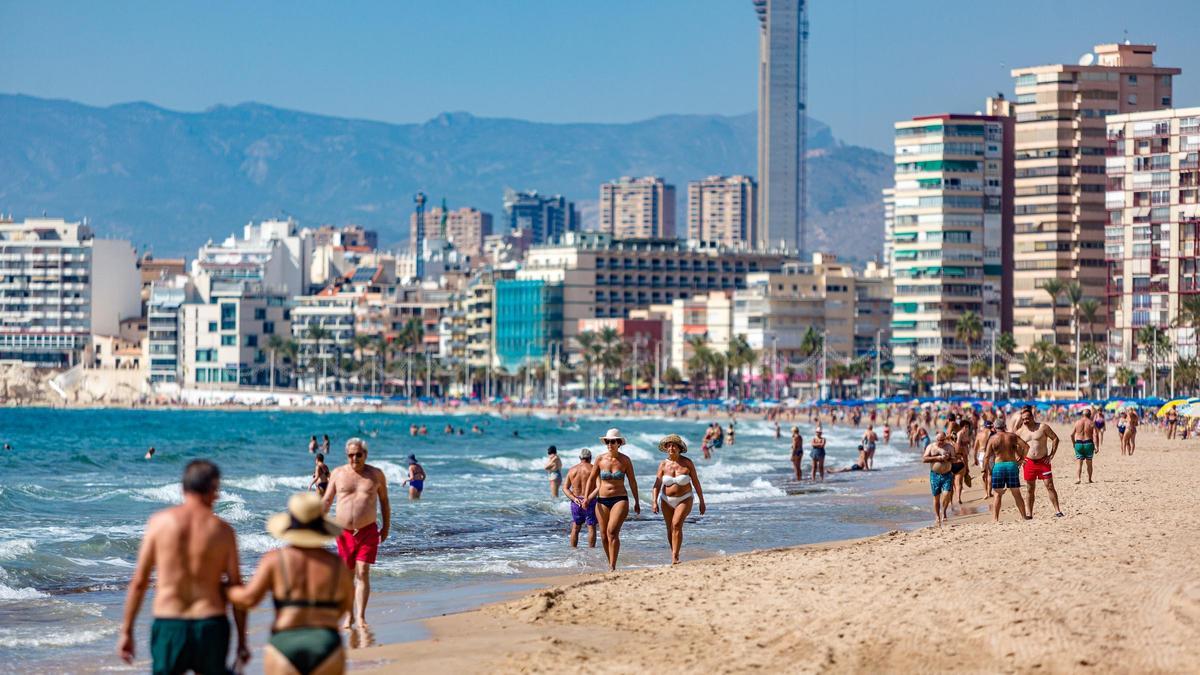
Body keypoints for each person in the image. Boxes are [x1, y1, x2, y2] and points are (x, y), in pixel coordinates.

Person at [118, 460, 249, 672]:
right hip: (210, 625)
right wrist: (242, 640)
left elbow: (139, 582)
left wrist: (127, 631)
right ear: (214, 490)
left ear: (183, 488)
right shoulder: (223, 531)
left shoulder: (159, 523)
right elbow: (236, 588)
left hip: (170, 624)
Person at [228, 493, 353, 675]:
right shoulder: (336, 564)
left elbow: (249, 599)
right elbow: (346, 605)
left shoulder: (274, 560)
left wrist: (227, 589)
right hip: (326, 643)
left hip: (284, 643)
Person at [321, 438, 390, 627]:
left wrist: (386, 527)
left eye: (358, 455)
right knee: (347, 576)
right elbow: (327, 500)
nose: (354, 459)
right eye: (350, 455)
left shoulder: (376, 475)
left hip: (368, 530)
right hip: (343, 533)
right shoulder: (338, 474)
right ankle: (349, 615)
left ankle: (360, 617)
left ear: (365, 455)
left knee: (363, 571)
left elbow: (384, 502)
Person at [586, 428, 640, 571]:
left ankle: (612, 565)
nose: (610, 444)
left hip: (620, 499)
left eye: (613, 441)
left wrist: (637, 501)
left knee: (612, 532)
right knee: (603, 535)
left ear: (619, 443)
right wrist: (586, 497)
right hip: (601, 500)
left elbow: (632, 482)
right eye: (608, 441)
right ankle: (610, 560)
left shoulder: (625, 460)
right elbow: (591, 479)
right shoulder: (600, 459)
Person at [652, 434, 705, 565]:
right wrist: (654, 501)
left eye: (674, 445)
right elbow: (657, 484)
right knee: (670, 528)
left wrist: (702, 501)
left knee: (676, 524)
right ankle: (674, 552)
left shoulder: (687, 463)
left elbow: (696, 482)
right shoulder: (663, 464)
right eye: (669, 446)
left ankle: (675, 557)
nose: (671, 448)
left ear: (679, 448)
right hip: (666, 499)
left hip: (685, 498)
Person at [1015, 405, 1064, 518]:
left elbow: (1055, 438)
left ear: (1032, 417)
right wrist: (1020, 458)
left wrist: (1051, 455)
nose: (1025, 421)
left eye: (1027, 418)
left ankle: (1057, 510)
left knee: (1049, 485)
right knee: (1030, 488)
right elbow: (1014, 446)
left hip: (1043, 462)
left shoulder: (1043, 427)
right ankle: (1029, 513)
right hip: (1029, 462)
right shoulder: (1020, 432)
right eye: (1023, 419)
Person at [983, 419, 1031, 523]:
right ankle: (1024, 516)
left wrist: (984, 470)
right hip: (1011, 465)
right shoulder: (1012, 436)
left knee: (997, 494)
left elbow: (986, 456)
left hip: (998, 466)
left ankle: (995, 519)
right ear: (1004, 426)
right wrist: (1022, 458)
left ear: (995, 428)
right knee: (1016, 493)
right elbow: (1026, 446)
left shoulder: (992, 438)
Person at [563, 448, 598, 548]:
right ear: (590, 458)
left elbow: (565, 488)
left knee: (576, 527)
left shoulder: (572, 470)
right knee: (591, 527)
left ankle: (573, 550)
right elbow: (599, 487)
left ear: (580, 458)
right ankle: (591, 552)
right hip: (590, 501)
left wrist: (573, 498)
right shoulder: (593, 469)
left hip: (576, 502)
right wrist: (589, 498)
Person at [922, 431, 955, 526]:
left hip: (947, 474)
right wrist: (938, 458)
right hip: (935, 475)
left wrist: (948, 458)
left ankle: (944, 511)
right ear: (936, 439)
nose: (940, 442)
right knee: (936, 497)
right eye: (939, 440)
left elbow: (954, 459)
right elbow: (924, 459)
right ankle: (937, 516)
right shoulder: (931, 447)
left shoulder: (949, 447)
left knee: (947, 494)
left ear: (945, 439)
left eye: (942, 440)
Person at [1072, 407, 1099, 484]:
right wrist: (1097, 446)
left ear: (1082, 415)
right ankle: (1089, 479)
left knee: (1079, 463)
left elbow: (1071, 434)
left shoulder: (1077, 422)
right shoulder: (1091, 423)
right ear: (1090, 415)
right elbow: (1095, 435)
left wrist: (1074, 443)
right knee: (1089, 463)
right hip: (1088, 444)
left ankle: (1078, 478)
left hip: (1079, 443)